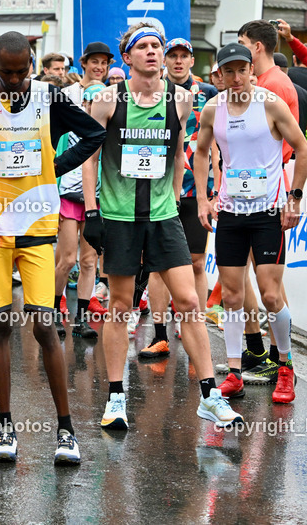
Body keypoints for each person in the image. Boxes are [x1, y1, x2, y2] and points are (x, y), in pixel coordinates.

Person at [82, 22, 242, 430]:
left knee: (189, 302)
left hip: (163, 215)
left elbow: (176, 152)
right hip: (118, 217)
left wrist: (173, 196)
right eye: (144, 47)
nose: (153, 52)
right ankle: (116, 396)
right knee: (120, 306)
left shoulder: (183, 99)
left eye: (157, 45)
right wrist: (92, 211)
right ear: (128, 57)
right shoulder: (106, 100)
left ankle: (209, 396)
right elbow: (89, 158)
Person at [0, 31, 105, 464]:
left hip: (39, 225)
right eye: (7, 73)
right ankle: (5, 426)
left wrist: (54, 168)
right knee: (0, 325)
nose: (16, 81)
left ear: (32, 66)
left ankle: (66, 430)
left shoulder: (49, 97)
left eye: (22, 72)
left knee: (44, 325)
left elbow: (93, 135)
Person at [194, 42, 305, 405]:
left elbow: (301, 147)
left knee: (271, 295)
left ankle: (285, 367)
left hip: (268, 213)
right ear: (220, 75)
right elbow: (199, 150)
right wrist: (202, 198)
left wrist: (295, 197)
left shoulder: (269, 104)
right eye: (230, 71)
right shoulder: (213, 109)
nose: (237, 77)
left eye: (243, 69)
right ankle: (234, 373)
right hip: (229, 214)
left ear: (251, 70)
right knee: (232, 297)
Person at [140, 38, 219, 359]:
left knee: (198, 264)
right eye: (172, 56)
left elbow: (219, 142)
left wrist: (215, 190)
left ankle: (193, 330)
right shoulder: (151, 92)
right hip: (159, 190)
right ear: (164, 60)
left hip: (197, 191)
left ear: (190, 61)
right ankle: (159, 334)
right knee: (158, 266)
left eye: (184, 56)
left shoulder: (209, 95)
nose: (177, 61)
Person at [53, 83, 106, 340]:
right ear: (83, 103)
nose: (93, 106)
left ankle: (81, 319)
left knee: (89, 262)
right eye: (89, 101)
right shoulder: (68, 131)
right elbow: (53, 167)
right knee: (67, 260)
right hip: (67, 200)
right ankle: (53, 311)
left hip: (96, 202)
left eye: (98, 101)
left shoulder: (109, 133)